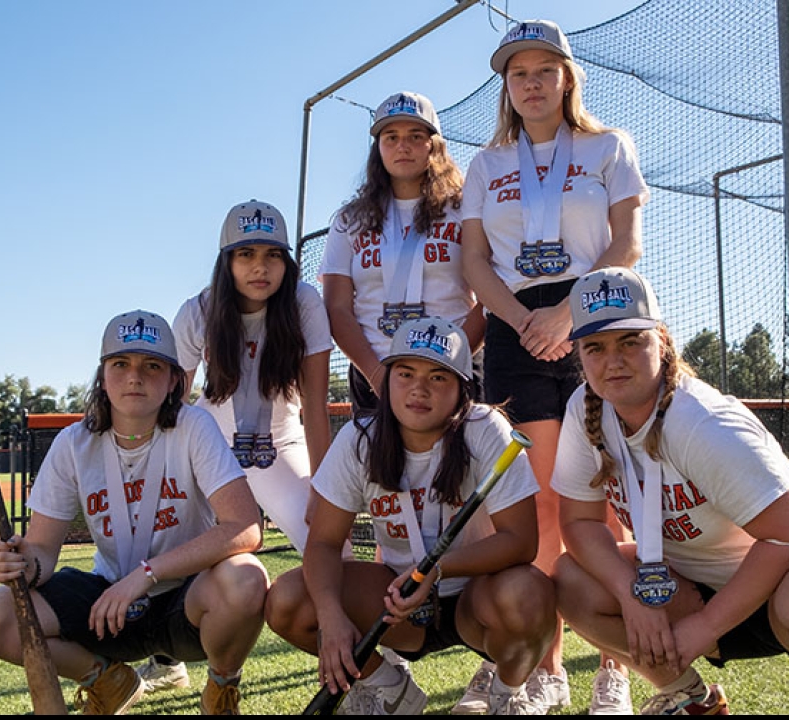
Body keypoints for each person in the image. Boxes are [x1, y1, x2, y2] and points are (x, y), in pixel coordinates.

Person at [552, 267, 789, 715]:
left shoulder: (702, 422)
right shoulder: (585, 409)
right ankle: (690, 700)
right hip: (700, 582)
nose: (613, 361)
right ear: (580, 354)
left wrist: (703, 627)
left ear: (662, 340)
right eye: (595, 347)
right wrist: (631, 595)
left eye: (630, 341)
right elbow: (579, 523)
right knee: (573, 579)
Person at [458, 18, 650, 714]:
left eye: (545, 70)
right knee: (537, 504)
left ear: (568, 78)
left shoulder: (608, 145)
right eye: (519, 73)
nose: (532, 83)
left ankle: (616, 667)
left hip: (598, 320)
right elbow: (474, 262)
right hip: (516, 330)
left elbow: (627, 242)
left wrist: (568, 315)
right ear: (506, 87)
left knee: (608, 495)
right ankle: (547, 666)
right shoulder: (487, 165)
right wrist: (524, 322)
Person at [0, 309, 269, 715]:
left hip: (187, 603)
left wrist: (146, 575)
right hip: (107, 608)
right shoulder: (73, 444)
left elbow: (245, 527)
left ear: (174, 379)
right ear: (103, 375)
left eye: (152, 366)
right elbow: (41, 552)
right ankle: (106, 681)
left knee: (246, 578)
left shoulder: (194, 427)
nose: (134, 377)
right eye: (121, 364)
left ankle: (221, 687)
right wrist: (22, 564)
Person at [263, 317, 556, 715]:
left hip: (477, 596)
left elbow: (521, 542)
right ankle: (389, 689)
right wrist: (331, 618)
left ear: (462, 388)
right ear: (387, 380)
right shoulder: (359, 437)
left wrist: (437, 569)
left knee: (530, 592)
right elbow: (325, 543)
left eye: (438, 377)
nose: (419, 388)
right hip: (396, 601)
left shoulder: (486, 428)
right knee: (289, 600)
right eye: (405, 373)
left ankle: (507, 694)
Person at [149, 199, 332, 693]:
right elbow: (174, 404)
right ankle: (165, 658)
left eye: (272, 255)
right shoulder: (199, 311)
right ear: (226, 260)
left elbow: (316, 405)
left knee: (325, 541)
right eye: (245, 254)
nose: (259, 267)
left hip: (281, 444)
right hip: (211, 451)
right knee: (169, 542)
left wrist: (324, 488)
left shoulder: (304, 303)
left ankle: (367, 655)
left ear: (287, 262)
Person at [320, 90, 485, 419]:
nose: (402, 146)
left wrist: (451, 362)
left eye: (415, 136)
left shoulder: (466, 207)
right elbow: (337, 307)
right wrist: (377, 374)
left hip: (454, 369)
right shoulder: (349, 220)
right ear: (378, 148)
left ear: (434, 145)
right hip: (375, 371)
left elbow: (490, 295)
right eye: (391, 137)